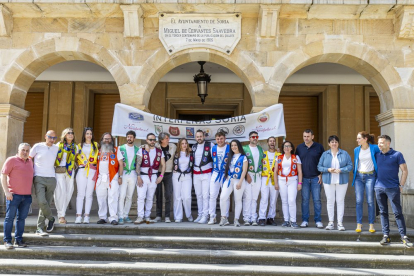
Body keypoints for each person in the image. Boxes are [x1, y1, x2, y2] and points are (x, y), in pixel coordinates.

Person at [375, 135, 412, 248]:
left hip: (393, 188)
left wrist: (401, 184)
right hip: (379, 188)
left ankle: (404, 236)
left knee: (397, 212)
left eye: (381, 143)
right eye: (378, 143)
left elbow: (404, 170)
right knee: (383, 212)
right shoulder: (377, 155)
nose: (379, 145)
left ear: (388, 143)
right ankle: (386, 235)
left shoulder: (397, 154)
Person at [2, 143, 34, 249]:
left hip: (27, 196)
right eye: (23, 150)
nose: (25, 152)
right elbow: (3, 176)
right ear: (18, 150)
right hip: (13, 195)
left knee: (21, 219)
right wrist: (6, 191)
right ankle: (7, 241)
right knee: (9, 218)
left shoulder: (30, 162)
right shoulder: (11, 160)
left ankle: (19, 240)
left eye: (27, 151)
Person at [317, 135, 353, 231]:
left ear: (338, 143)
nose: (334, 143)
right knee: (330, 200)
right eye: (332, 142)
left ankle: (340, 223)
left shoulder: (344, 153)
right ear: (329, 144)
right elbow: (319, 167)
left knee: (340, 201)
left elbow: (350, 166)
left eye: (336, 142)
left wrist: (341, 170)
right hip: (328, 180)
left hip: (342, 180)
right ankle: (331, 222)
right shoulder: (325, 154)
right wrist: (328, 169)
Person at [30, 130, 59, 236]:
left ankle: (39, 228)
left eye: (54, 138)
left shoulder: (56, 148)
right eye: (50, 137)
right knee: (42, 201)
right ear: (45, 136)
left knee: (46, 203)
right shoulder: (37, 146)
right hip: (39, 177)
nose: (52, 140)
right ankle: (51, 218)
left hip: (51, 178)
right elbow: (29, 159)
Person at [295, 129, 324, 228]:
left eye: (308, 136)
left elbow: (323, 161)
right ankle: (305, 220)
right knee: (305, 200)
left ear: (312, 136)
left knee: (317, 200)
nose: (306, 138)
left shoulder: (319, 147)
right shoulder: (299, 148)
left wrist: (321, 174)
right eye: (304, 136)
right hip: (304, 178)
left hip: (316, 178)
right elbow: (295, 162)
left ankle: (318, 220)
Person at [352, 131, 380, 233]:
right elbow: (356, 162)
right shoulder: (356, 150)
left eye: (359, 138)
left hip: (370, 176)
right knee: (359, 201)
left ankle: (371, 225)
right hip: (359, 177)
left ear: (365, 139)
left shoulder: (374, 148)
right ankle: (359, 224)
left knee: (370, 201)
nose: (357, 140)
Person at [135, 133, 165, 224]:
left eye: (154, 140)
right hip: (143, 175)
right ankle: (140, 216)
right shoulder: (142, 150)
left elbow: (163, 165)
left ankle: (147, 216)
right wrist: (138, 176)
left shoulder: (159, 151)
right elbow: (138, 164)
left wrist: (161, 176)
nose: (152, 141)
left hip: (154, 176)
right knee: (141, 197)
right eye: (150, 139)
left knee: (150, 197)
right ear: (147, 140)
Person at [274, 141, 302, 229]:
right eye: (285, 146)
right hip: (281, 180)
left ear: (291, 148)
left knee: (291, 200)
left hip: (293, 180)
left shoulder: (296, 157)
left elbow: (300, 171)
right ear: (283, 148)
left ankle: (293, 221)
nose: (286, 148)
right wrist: (276, 183)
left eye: (288, 146)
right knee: (284, 200)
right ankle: (286, 220)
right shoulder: (278, 157)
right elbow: (275, 171)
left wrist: (299, 183)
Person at [220, 140, 248, 227]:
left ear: (239, 146)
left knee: (238, 200)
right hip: (229, 180)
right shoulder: (230, 156)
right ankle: (224, 218)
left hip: (238, 180)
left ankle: (236, 219)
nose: (233, 147)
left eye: (235, 145)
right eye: (232, 145)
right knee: (223, 197)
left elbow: (244, 171)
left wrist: (240, 182)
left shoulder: (243, 157)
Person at [95, 132, 120, 225]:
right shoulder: (98, 151)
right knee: (101, 198)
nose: (107, 140)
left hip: (112, 177)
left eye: (109, 139)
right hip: (101, 177)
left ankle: (113, 218)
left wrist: (120, 176)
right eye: (105, 139)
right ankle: (102, 217)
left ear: (112, 140)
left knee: (113, 197)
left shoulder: (116, 150)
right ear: (102, 140)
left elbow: (121, 164)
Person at [75, 127, 99, 224]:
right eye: (87, 133)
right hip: (82, 170)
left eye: (90, 133)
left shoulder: (96, 145)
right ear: (84, 135)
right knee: (80, 194)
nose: (89, 135)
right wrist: (77, 165)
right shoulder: (79, 145)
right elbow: (75, 158)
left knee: (89, 194)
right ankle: (78, 215)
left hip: (92, 170)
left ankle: (86, 216)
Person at [54, 128, 78, 224]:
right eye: (68, 133)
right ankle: (61, 215)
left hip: (69, 171)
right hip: (59, 171)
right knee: (60, 193)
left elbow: (76, 159)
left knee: (69, 192)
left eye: (72, 133)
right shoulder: (58, 145)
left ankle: (63, 213)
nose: (71, 134)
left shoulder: (75, 147)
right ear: (64, 135)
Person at [242, 131, 264, 226]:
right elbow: (242, 162)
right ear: (249, 138)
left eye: (256, 136)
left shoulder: (260, 149)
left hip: (258, 176)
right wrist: (246, 174)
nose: (254, 138)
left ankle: (253, 218)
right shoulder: (244, 148)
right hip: (248, 175)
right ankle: (246, 218)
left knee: (254, 198)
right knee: (247, 197)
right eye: (252, 137)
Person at [208, 132, 230, 225]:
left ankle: (225, 217)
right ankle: (212, 217)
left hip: (226, 174)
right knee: (212, 195)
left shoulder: (229, 147)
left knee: (225, 196)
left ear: (225, 138)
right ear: (215, 140)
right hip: (215, 173)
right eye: (217, 139)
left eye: (221, 138)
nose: (219, 140)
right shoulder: (213, 148)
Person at [258, 136, 281, 226]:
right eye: (270, 141)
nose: (272, 143)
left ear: (275, 143)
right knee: (264, 198)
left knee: (273, 199)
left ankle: (271, 217)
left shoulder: (279, 155)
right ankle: (262, 218)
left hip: (274, 178)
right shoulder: (263, 154)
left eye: (273, 141)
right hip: (265, 178)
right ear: (267, 143)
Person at [192, 130, 213, 223]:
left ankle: (205, 215)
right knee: (198, 195)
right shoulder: (194, 146)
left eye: (200, 136)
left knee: (205, 195)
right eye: (197, 136)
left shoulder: (210, 145)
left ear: (204, 136)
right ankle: (200, 214)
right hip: (196, 174)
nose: (199, 138)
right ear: (195, 137)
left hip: (206, 173)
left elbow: (215, 157)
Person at [154, 132, 176, 223]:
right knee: (158, 194)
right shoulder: (155, 146)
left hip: (169, 173)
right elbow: (144, 147)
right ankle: (158, 215)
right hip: (158, 173)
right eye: (166, 138)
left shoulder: (173, 146)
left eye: (168, 138)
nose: (168, 139)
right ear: (161, 140)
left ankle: (167, 216)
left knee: (168, 195)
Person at [172, 138, 194, 222]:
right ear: (179, 145)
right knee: (177, 196)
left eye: (185, 143)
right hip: (176, 175)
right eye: (182, 143)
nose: (184, 145)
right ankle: (178, 216)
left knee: (187, 196)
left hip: (187, 176)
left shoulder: (191, 153)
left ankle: (188, 214)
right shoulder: (176, 153)